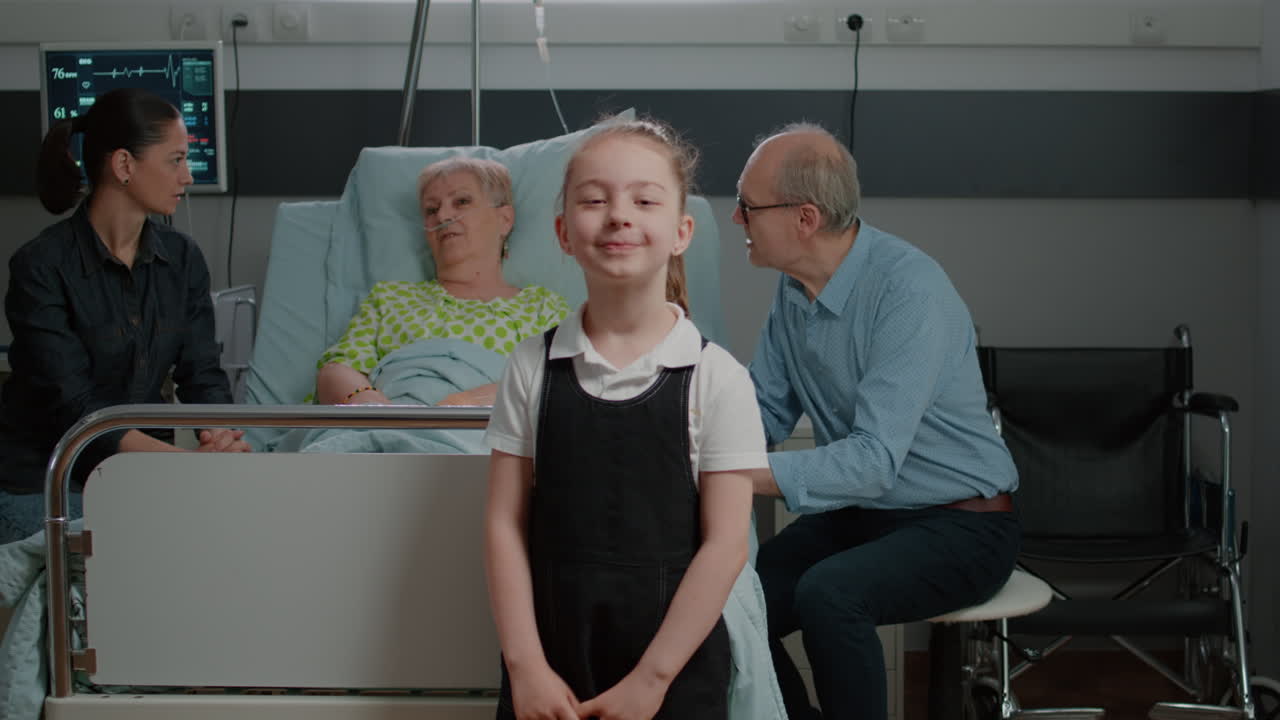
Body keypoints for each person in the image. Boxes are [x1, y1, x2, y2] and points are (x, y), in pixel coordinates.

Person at [734, 123, 1021, 720]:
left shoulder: (907, 290)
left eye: (747, 207)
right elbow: (762, 412)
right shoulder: (793, 292)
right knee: (726, 595)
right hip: (870, 517)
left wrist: (728, 472)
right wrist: (686, 436)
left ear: (805, 218)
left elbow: (871, 462)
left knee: (830, 595)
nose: (737, 220)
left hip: (963, 526)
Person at [483, 118, 767, 720]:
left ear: (681, 231)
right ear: (563, 232)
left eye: (644, 199)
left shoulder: (718, 379)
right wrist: (525, 665)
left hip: (673, 669)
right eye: (593, 199)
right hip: (550, 663)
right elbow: (505, 525)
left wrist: (651, 681)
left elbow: (725, 546)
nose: (618, 215)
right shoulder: (530, 367)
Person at [0, 88, 248, 544]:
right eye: (175, 160)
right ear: (124, 166)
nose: (188, 177)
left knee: (223, 529)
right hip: (47, 482)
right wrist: (182, 465)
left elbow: (202, 373)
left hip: (138, 472)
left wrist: (220, 437)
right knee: (133, 545)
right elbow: (77, 410)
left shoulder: (183, 259)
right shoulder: (41, 267)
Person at [314, 156, 570, 407]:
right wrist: (367, 403)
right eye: (431, 209)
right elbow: (337, 369)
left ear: (504, 219)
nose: (443, 215)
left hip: (488, 439)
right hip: (390, 432)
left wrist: (466, 403)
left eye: (461, 201)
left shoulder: (540, 308)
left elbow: (563, 381)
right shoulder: (391, 299)